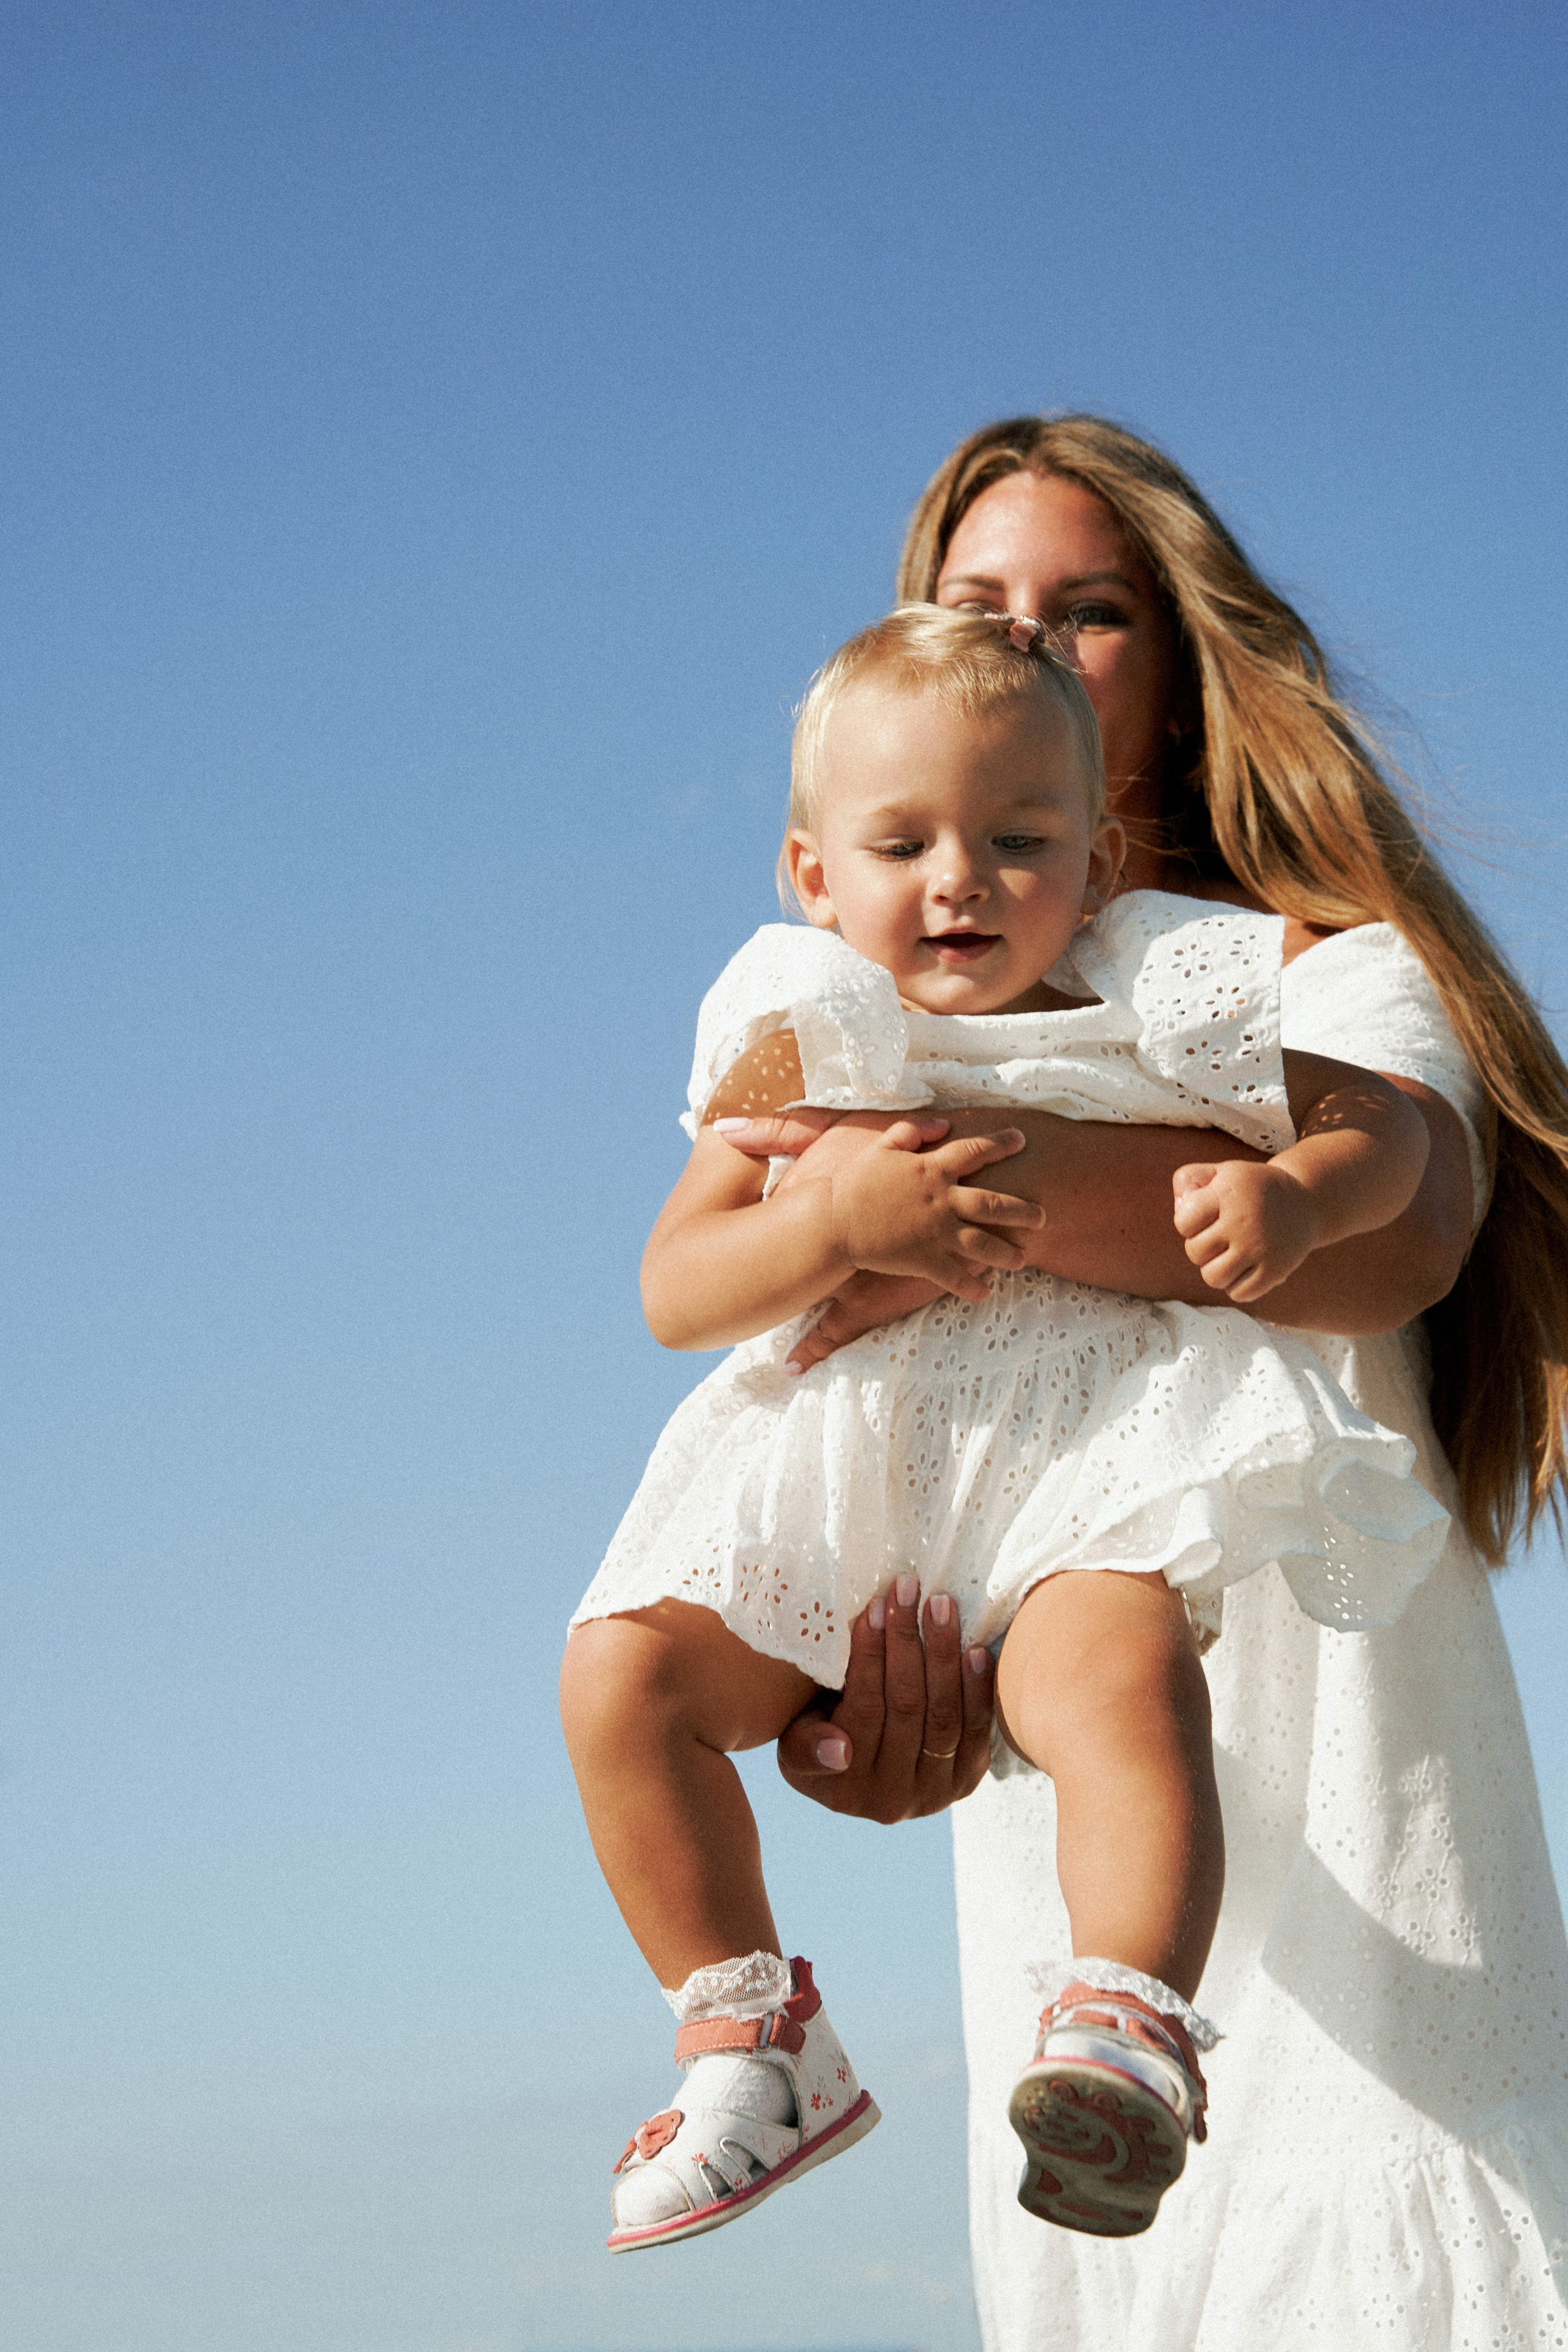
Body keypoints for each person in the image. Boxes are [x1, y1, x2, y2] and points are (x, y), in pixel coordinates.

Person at [716, 417, 1568, 2345]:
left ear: (1176, 688)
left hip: (1385, 1881)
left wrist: (872, 1183)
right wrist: (851, 1710)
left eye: (1084, 615)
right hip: (1066, 1962)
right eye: (972, 608)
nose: (1020, 649)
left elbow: (1400, 1239)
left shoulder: (1317, 981)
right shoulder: (847, 1020)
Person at [561, 603, 1449, 2253]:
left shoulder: (1172, 989)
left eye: (1017, 836)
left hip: (1085, 1454)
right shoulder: (805, 1033)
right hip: (848, 1477)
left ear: (1099, 857)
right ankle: (750, 2035)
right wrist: (830, 1225)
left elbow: (1385, 1126)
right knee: (622, 1676)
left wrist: (1301, 1197)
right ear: (814, 876)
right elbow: (680, 1288)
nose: (960, 878)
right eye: (902, 843)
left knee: (1114, 1682)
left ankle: (1128, 2022)